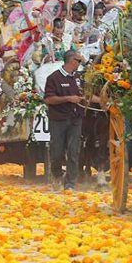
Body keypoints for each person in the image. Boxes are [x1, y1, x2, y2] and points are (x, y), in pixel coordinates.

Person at [44, 50, 85, 191]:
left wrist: (104, 102)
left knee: (74, 151)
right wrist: (68, 99)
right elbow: (48, 99)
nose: (81, 63)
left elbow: (86, 95)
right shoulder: (54, 78)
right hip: (59, 120)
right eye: (79, 60)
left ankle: (70, 183)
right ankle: (56, 175)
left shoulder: (79, 78)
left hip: (75, 120)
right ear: (72, 61)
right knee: (57, 152)